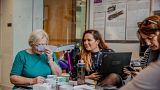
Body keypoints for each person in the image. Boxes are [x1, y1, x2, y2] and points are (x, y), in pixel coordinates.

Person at [119, 15, 160, 90]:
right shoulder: (149, 51)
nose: (147, 43)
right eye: (145, 39)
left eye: (150, 38)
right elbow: (143, 68)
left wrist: (144, 78)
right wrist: (138, 73)